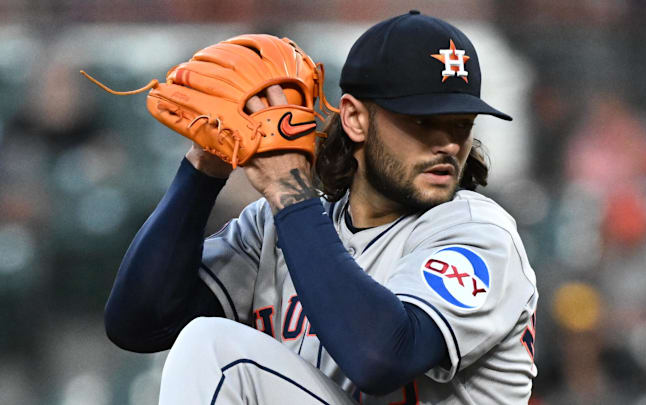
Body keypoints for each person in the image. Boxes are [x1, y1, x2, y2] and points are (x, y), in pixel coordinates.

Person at [105, 10, 538, 404]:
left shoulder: (479, 234)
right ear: (354, 118)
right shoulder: (278, 226)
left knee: (216, 351)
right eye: (423, 122)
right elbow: (139, 324)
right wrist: (204, 166)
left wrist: (288, 192)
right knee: (202, 344)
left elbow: (382, 359)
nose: (447, 144)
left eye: (460, 125)